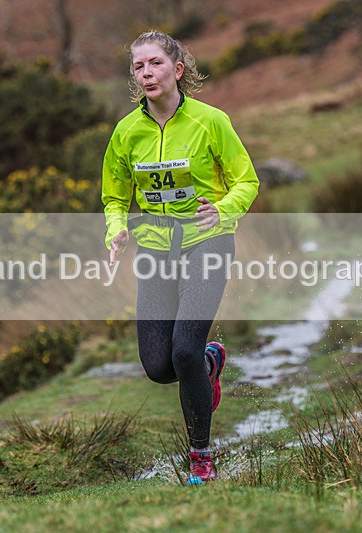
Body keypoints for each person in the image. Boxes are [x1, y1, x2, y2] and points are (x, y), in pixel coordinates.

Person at [102, 30, 259, 485]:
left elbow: (246, 182)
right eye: (138, 67)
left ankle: (201, 459)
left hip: (207, 243)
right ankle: (211, 363)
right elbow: (114, 198)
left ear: (178, 70)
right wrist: (116, 232)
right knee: (158, 367)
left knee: (184, 351)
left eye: (154, 63)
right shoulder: (126, 132)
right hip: (154, 250)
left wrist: (223, 209)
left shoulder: (212, 122)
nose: (146, 73)